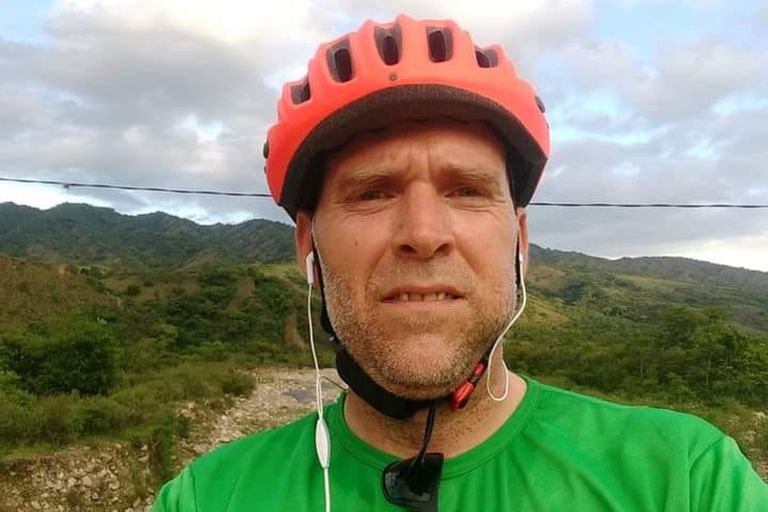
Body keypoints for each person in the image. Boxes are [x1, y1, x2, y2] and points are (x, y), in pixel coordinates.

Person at [152, 14, 768, 511]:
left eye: (466, 191)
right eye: (373, 193)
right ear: (307, 245)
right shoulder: (208, 498)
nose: (423, 234)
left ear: (519, 239)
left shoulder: (684, 478)